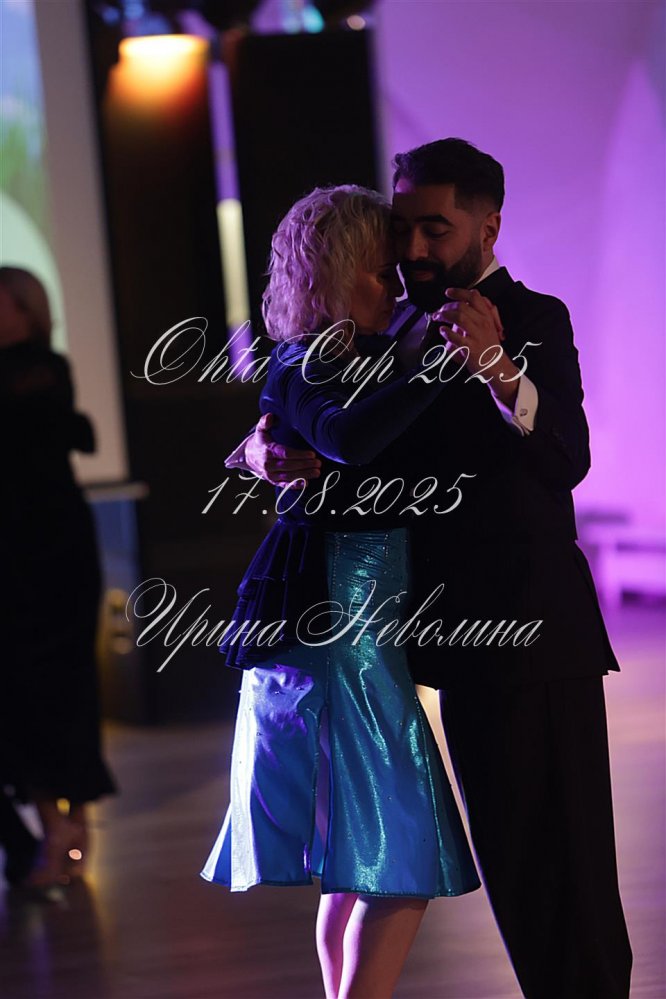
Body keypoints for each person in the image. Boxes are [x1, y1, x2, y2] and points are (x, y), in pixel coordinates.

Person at [234, 140, 632, 999]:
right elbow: (330, 423)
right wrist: (265, 447)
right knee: (511, 870)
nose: (414, 249)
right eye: (404, 230)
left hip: (531, 633)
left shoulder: (532, 317)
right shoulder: (389, 331)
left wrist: (497, 368)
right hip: (440, 643)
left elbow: (568, 457)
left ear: (489, 225)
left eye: (435, 229)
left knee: (566, 871)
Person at [200, 186, 480, 999]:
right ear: (334, 273)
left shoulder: (372, 350)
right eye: (380, 268)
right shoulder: (305, 359)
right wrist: (443, 365)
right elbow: (349, 437)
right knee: (403, 846)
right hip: (333, 616)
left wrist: (252, 450)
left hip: (361, 613)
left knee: (356, 853)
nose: (399, 281)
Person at [0, 266, 116, 892]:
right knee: (21, 693)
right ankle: (55, 828)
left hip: (54, 551)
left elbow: (37, 430)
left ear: (27, 310)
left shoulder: (44, 368)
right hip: (11, 553)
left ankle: (73, 826)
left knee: (66, 687)